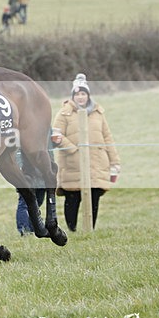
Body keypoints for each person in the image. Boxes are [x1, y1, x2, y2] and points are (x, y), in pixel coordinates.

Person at [51, 74, 121, 232]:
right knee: (73, 197)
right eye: (77, 94)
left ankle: (90, 230)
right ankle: (72, 230)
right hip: (73, 163)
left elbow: (107, 137)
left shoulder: (98, 113)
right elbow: (55, 135)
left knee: (94, 195)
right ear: (73, 96)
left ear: (88, 95)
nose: (80, 97)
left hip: (96, 162)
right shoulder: (64, 113)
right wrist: (73, 149)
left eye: (83, 94)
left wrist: (114, 161)